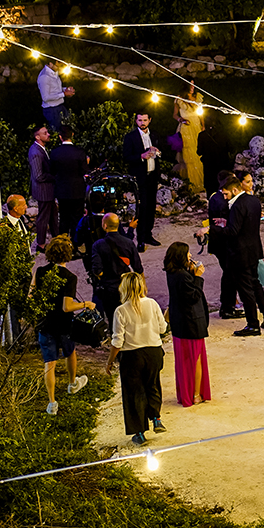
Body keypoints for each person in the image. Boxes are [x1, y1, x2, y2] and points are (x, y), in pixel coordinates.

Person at [105, 271, 167, 446]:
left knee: (134, 393)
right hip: (154, 352)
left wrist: (110, 361)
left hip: (132, 355)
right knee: (153, 385)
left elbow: (118, 341)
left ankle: (139, 432)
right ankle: (156, 418)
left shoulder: (121, 310)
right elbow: (163, 329)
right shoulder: (153, 304)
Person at [35, 235, 92, 416]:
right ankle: (72, 383)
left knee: (49, 363)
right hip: (64, 324)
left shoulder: (40, 271)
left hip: (45, 323)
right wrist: (86, 304)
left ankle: (52, 402)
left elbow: (31, 295)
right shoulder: (69, 277)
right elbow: (67, 307)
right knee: (70, 352)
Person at [216, 176, 264, 334]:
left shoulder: (237, 205)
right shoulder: (253, 200)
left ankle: (253, 324)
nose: (225, 197)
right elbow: (245, 224)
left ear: (235, 190)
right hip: (254, 250)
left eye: (226, 194)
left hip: (240, 254)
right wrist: (226, 222)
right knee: (256, 284)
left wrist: (212, 230)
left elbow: (233, 231)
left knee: (245, 290)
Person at [163, 241, 211, 407]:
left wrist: (191, 273)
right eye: (188, 253)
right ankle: (196, 394)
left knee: (183, 361)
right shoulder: (183, 276)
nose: (191, 256)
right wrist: (197, 277)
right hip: (191, 322)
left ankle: (186, 392)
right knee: (195, 359)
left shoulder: (173, 273)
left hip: (180, 323)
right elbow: (193, 297)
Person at [90, 213, 142, 327]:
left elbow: (97, 270)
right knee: (129, 317)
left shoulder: (98, 245)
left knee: (113, 318)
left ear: (104, 226)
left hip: (109, 289)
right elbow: (138, 267)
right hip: (127, 286)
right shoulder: (128, 243)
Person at [122, 112, 164, 250]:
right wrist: (141, 156)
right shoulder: (130, 137)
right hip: (139, 178)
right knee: (142, 208)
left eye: (145, 120)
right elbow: (126, 157)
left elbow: (162, 152)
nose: (142, 123)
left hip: (152, 176)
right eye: (140, 120)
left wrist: (157, 152)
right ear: (136, 121)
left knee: (151, 207)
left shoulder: (155, 135)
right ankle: (140, 239)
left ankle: (148, 235)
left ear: (150, 120)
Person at [202, 171, 240, 318]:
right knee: (230, 275)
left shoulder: (214, 197)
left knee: (229, 274)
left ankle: (229, 305)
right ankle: (227, 307)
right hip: (225, 243)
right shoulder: (224, 200)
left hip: (218, 242)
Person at [50, 124, 89, 240]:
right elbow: (84, 171)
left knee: (63, 217)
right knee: (76, 217)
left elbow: (52, 171)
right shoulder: (79, 152)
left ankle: (63, 241)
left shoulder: (55, 153)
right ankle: (76, 242)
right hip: (77, 189)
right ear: (72, 135)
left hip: (62, 190)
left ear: (60, 137)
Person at [172, 85, 206, 195]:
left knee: (199, 155)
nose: (192, 87)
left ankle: (201, 183)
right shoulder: (179, 99)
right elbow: (174, 114)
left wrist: (203, 125)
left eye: (193, 84)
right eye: (190, 84)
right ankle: (190, 183)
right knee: (188, 155)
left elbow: (201, 114)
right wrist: (180, 119)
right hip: (186, 128)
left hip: (196, 127)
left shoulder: (197, 97)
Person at [27, 124, 57, 248]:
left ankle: (57, 240)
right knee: (44, 218)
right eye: (45, 133)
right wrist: (55, 177)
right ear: (38, 137)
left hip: (47, 190)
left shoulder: (40, 149)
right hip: (43, 190)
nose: (48, 134)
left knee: (53, 217)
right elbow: (38, 175)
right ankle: (41, 244)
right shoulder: (36, 152)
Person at [37, 58, 75, 128]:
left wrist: (66, 89)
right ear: (50, 64)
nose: (59, 68)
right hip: (51, 110)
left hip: (60, 106)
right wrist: (64, 94)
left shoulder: (54, 72)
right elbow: (45, 98)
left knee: (70, 126)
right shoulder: (44, 77)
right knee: (58, 131)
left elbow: (55, 89)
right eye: (57, 65)